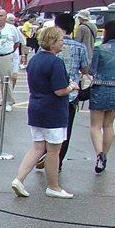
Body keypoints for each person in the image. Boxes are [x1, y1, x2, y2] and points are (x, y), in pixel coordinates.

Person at [10, 27, 78, 199]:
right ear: (53, 42)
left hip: (36, 108)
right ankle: (53, 186)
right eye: (61, 40)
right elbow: (60, 91)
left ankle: (19, 179)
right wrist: (73, 86)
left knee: (37, 146)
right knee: (54, 151)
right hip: (53, 111)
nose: (63, 43)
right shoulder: (55, 62)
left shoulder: (34, 60)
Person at [53, 13, 91, 172]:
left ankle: (48, 158)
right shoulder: (80, 47)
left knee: (49, 129)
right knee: (66, 130)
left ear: (56, 27)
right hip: (71, 94)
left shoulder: (50, 46)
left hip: (52, 92)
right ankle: (58, 161)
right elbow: (85, 69)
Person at [87, 20, 115, 172]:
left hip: (100, 88)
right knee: (109, 125)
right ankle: (105, 155)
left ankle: (99, 155)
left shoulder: (100, 49)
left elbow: (91, 71)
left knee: (95, 125)